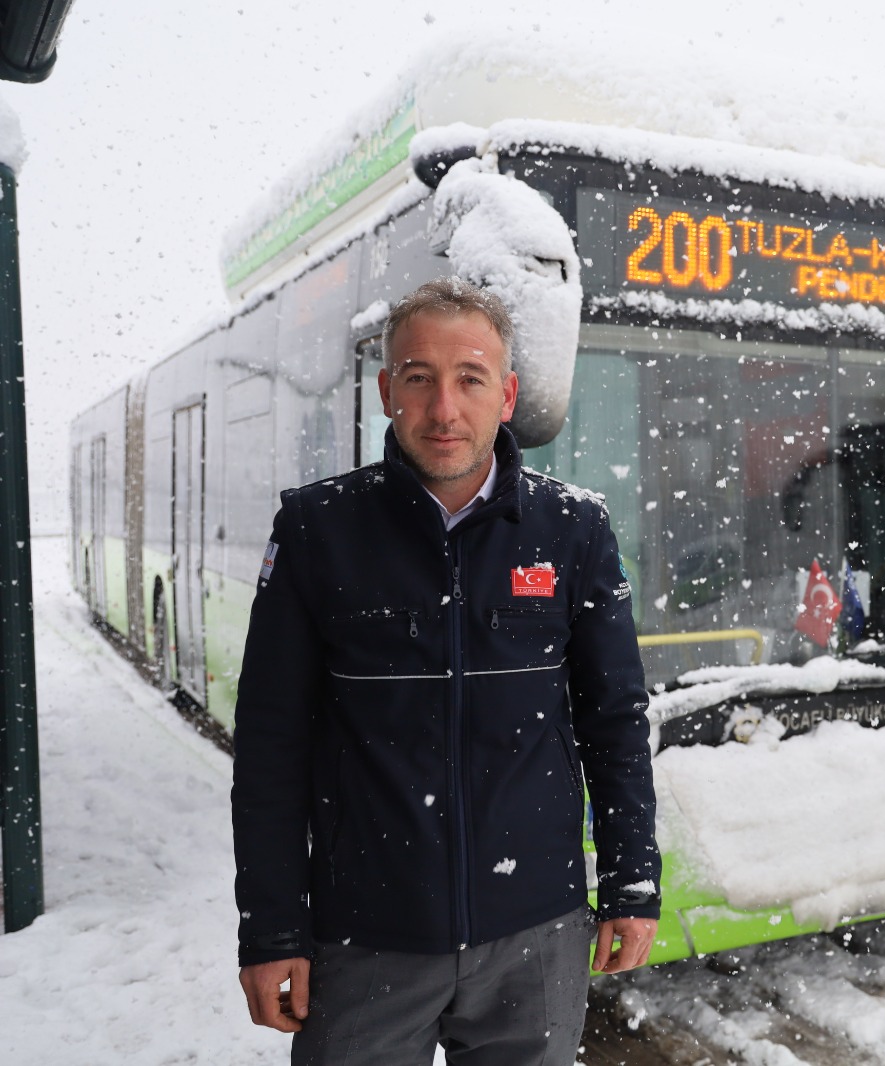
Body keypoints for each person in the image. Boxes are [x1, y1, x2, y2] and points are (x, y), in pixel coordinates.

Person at [232, 277, 659, 1065]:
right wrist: (270, 927)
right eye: (419, 379)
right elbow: (269, 745)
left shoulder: (574, 529)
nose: (444, 409)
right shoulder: (317, 530)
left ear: (508, 395)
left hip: (536, 937)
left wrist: (633, 880)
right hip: (364, 941)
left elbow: (615, 720)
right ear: (388, 390)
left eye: (470, 378)